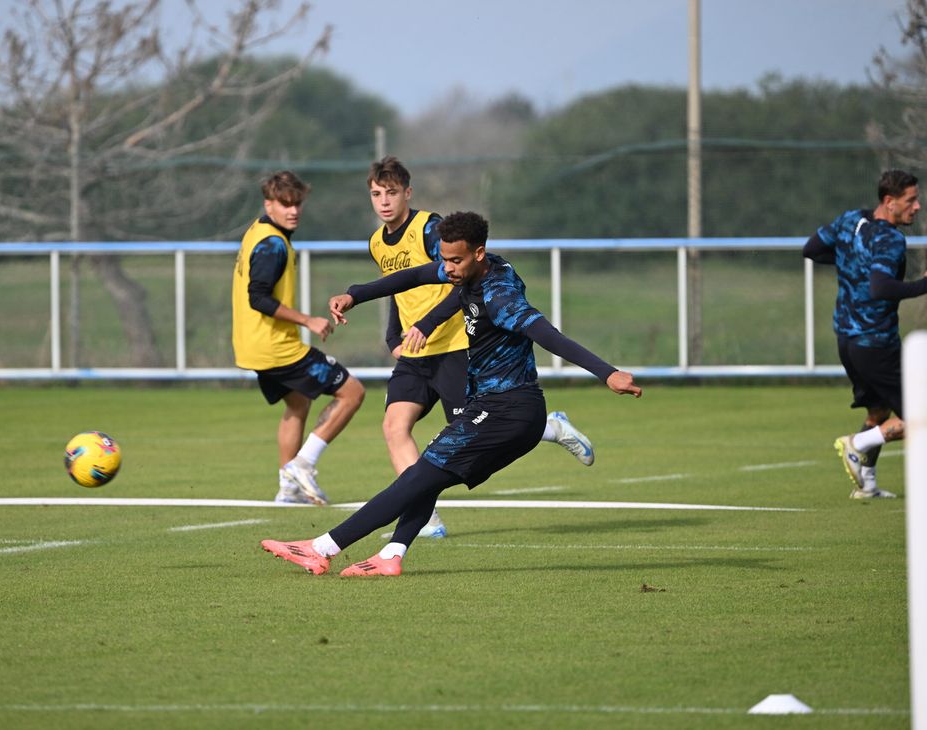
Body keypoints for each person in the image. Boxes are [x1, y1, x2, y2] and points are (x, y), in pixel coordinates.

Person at [260, 211, 642, 577]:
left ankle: (322, 548)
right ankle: (391, 555)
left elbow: (547, 334)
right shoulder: (470, 269)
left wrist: (607, 373)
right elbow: (415, 277)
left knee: (417, 476)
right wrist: (355, 295)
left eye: (456, 261)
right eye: (446, 259)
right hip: (503, 409)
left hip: (507, 409)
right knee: (429, 477)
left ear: (478, 252)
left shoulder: (500, 296)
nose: (449, 268)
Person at [365, 157, 597, 539]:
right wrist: (394, 336)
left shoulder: (429, 230)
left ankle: (551, 427)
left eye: (391, 193)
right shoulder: (377, 242)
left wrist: (428, 323)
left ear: (407, 192)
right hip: (415, 353)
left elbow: (460, 286)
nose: (384, 202)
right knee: (394, 426)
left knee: (468, 430)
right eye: (376, 194)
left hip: (454, 345)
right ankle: (427, 516)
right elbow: (399, 286)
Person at [803, 169, 927, 499]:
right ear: (889, 202)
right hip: (875, 343)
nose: (918, 206)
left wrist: (847, 263)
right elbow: (881, 288)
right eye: (911, 200)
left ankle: (867, 485)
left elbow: (811, 249)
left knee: (879, 411)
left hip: (847, 341)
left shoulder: (850, 219)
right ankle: (859, 443)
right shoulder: (890, 239)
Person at [232, 171, 366, 505]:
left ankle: (288, 489)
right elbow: (258, 297)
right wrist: (308, 320)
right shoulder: (272, 244)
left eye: (297, 204)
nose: (293, 211)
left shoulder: (259, 229)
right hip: (276, 347)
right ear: (269, 204)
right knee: (352, 393)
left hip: (253, 346)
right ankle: (302, 465)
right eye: (285, 204)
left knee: (297, 402)